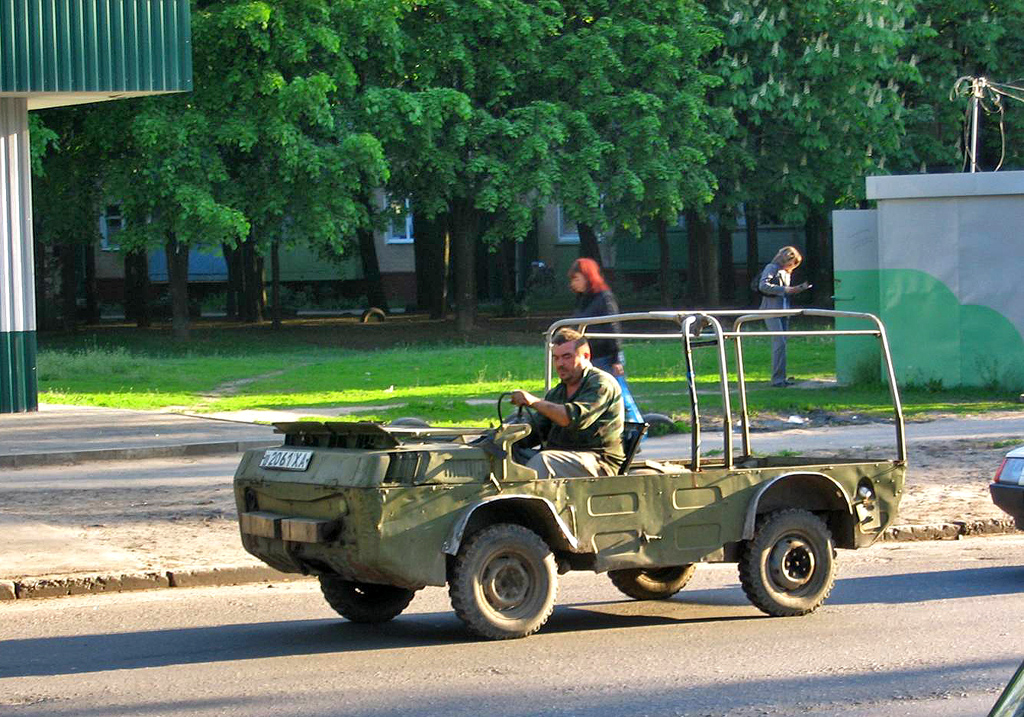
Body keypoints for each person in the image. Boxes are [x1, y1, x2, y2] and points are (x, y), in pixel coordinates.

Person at [510, 328, 625, 479]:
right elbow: (538, 429)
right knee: (507, 456)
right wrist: (508, 436)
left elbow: (573, 418)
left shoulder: (601, 383)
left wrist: (534, 401)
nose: (560, 364)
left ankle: (521, 502)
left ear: (586, 356)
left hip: (598, 460)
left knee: (543, 461)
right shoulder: (558, 392)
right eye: (556, 358)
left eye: (567, 357)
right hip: (562, 456)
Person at [568, 257, 643, 424]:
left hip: (607, 356)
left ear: (588, 277)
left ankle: (637, 430)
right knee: (596, 395)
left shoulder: (604, 297)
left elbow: (613, 326)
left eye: (576, 278)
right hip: (590, 356)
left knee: (620, 396)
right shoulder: (583, 299)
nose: (573, 284)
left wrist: (616, 358)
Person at [757, 245, 811, 387]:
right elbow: (763, 286)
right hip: (771, 311)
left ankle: (781, 377)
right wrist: (786, 289)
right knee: (779, 343)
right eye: (792, 263)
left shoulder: (786, 272)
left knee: (782, 345)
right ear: (786, 259)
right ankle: (777, 380)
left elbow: (786, 292)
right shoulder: (771, 268)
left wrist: (798, 289)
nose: (793, 266)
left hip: (784, 310)